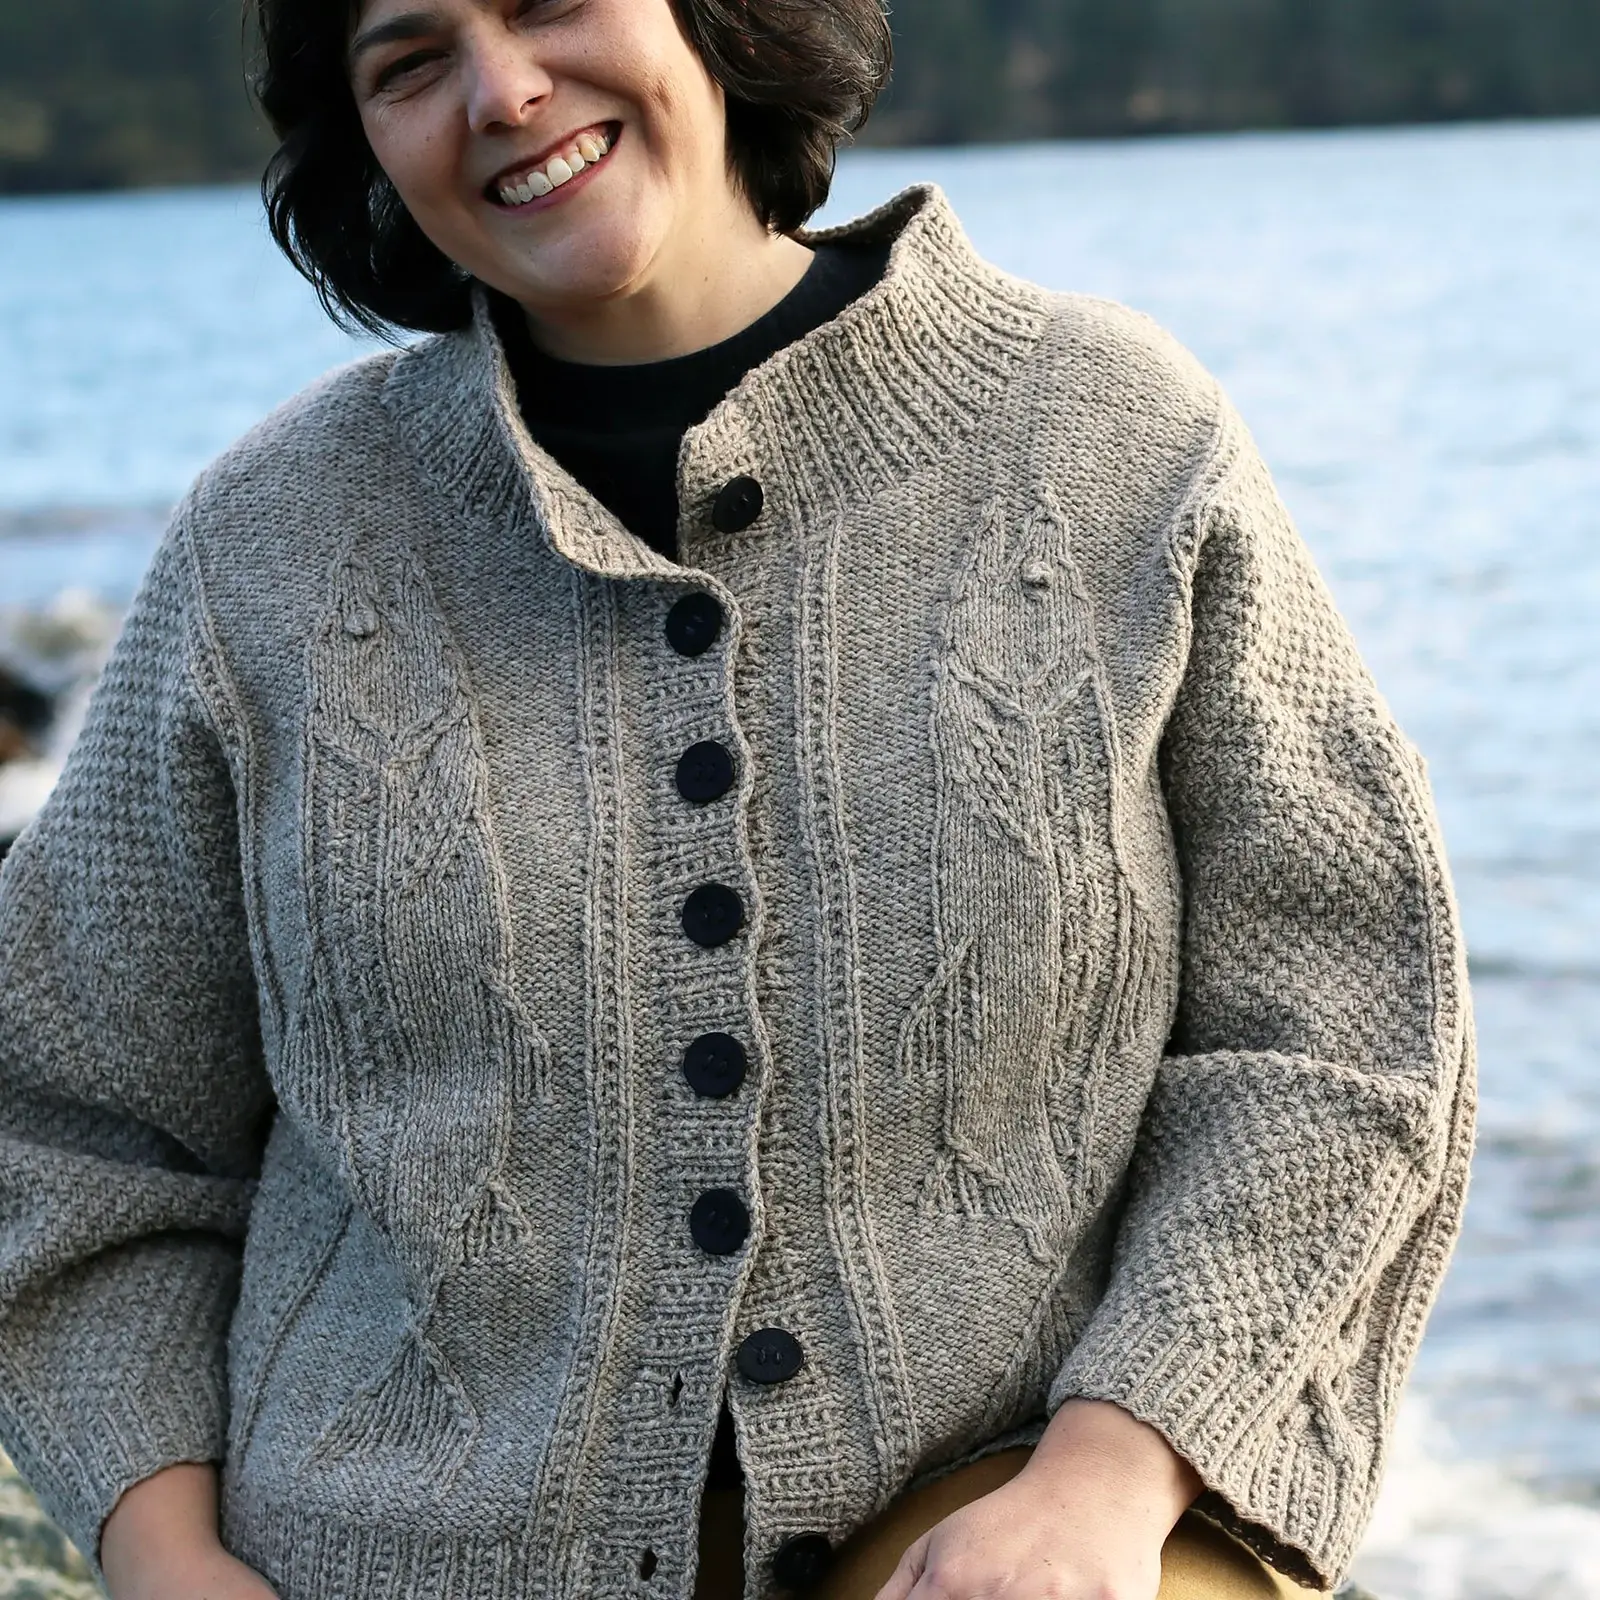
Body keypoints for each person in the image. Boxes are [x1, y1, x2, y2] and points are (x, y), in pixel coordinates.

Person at [0, 0, 1475, 1597]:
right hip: (385, 1554)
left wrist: (1114, 1473)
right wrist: (161, 1553)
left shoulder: (1111, 437)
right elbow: (69, 1123)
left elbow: (1341, 1037)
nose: (501, 92)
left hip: (1017, 1521)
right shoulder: (269, 546)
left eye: (551, 2)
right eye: (409, 61)